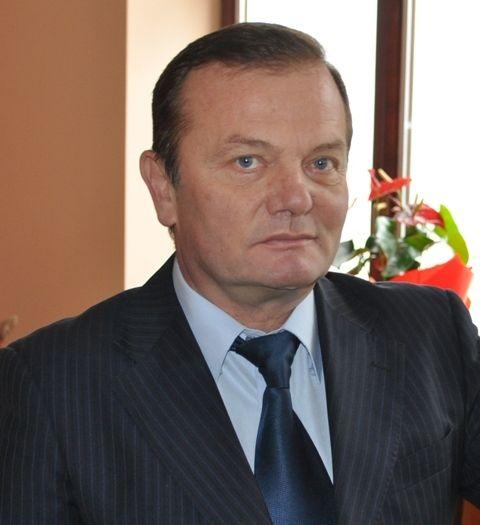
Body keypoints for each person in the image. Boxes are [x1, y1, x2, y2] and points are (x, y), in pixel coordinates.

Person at [0, 22, 479, 525]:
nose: (296, 197)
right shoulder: (51, 386)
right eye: (247, 161)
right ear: (163, 187)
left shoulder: (430, 334)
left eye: (321, 162)